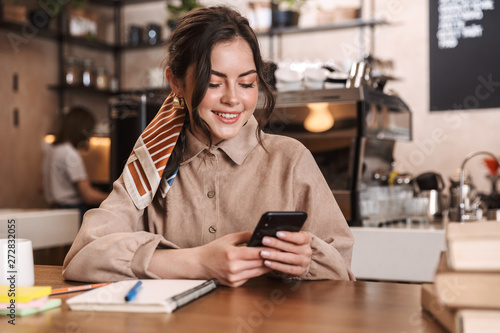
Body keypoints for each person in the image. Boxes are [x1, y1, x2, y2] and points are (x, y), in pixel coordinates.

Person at [62, 6, 355, 287]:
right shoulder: (152, 161)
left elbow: (343, 272)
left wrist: (307, 259)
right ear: (176, 82)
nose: (232, 99)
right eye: (214, 83)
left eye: (247, 83)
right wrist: (197, 262)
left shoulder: (290, 159)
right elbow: (82, 257)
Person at [43, 106, 108, 222]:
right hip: (71, 210)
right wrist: (113, 196)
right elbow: (88, 195)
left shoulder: (52, 149)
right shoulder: (70, 154)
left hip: (54, 210)